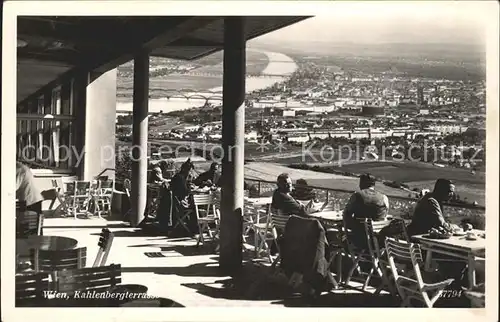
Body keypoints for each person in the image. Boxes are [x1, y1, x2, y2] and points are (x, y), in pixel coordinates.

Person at [342, 173, 389, 249]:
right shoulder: (384, 198)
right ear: (374, 185)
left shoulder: (357, 196)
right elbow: (384, 216)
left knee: (340, 236)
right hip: (380, 243)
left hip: (360, 241)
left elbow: (346, 215)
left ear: (361, 184)